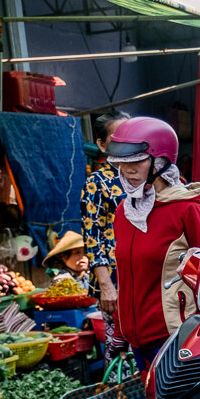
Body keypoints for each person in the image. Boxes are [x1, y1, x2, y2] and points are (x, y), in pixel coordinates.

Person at [104, 117, 200, 374]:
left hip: (176, 338)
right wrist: (120, 329)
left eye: (136, 161)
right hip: (137, 340)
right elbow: (125, 275)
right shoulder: (124, 212)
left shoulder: (187, 208)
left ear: (160, 161)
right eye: (122, 162)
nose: (127, 170)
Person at [80, 111, 130, 357]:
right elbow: (93, 238)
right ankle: (122, 395)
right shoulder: (97, 182)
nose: (125, 140)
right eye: (116, 136)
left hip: (144, 274)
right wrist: (106, 286)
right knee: (121, 352)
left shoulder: (143, 175)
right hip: (115, 278)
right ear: (101, 144)